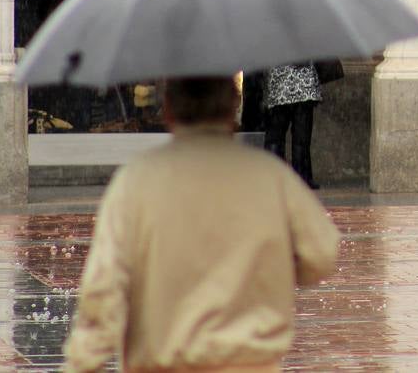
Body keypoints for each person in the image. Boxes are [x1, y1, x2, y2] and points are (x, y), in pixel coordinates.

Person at [63, 76, 340, 372]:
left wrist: (83, 361)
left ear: (167, 111)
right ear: (234, 107)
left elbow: (104, 288)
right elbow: (320, 255)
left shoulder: (137, 181)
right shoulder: (270, 177)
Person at [263, 60, 323, 188]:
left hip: (280, 84)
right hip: (304, 85)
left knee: (276, 135)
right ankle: (301, 178)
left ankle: (273, 178)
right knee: (301, 137)